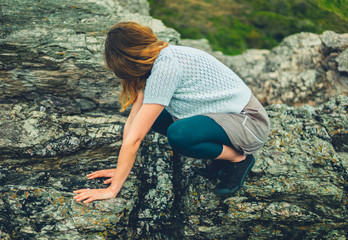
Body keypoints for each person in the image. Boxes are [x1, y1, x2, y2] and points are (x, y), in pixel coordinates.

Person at [73, 22, 270, 204]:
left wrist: (113, 190)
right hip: (223, 115)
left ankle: (238, 159)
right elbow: (134, 121)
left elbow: (136, 138)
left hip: (249, 122)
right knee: (152, 116)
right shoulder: (154, 59)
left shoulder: (166, 67)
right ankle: (222, 156)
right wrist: (120, 170)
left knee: (180, 135)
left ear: (130, 61)